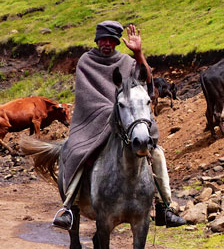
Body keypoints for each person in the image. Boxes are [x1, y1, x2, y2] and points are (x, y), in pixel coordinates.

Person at [53, 21, 186, 230]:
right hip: (94, 122)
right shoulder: (85, 62)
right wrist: (112, 111)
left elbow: (146, 84)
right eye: (103, 39)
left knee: (157, 154)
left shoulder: (127, 62)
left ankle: (163, 208)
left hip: (126, 122)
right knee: (76, 152)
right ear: (97, 40)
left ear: (116, 42)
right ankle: (70, 207)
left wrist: (139, 53)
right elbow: (86, 98)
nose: (106, 43)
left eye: (111, 40)